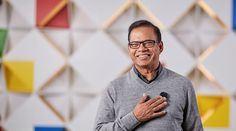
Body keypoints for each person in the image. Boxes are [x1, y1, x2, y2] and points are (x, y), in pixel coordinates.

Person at [94, 20, 203, 131]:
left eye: (148, 43)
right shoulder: (114, 88)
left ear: (160, 46)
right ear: (129, 49)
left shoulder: (183, 85)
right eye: (135, 44)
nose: (141, 49)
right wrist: (135, 117)